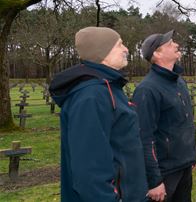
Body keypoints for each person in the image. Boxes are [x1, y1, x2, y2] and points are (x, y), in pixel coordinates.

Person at [49, 27, 148, 201]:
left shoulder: (110, 88)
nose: (126, 49)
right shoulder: (91, 96)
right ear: (102, 52)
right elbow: (89, 169)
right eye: (120, 44)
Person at [132, 30, 196, 202]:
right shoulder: (147, 90)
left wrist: (192, 155)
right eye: (170, 44)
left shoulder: (179, 81)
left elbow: (187, 121)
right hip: (164, 172)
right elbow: (144, 137)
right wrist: (154, 180)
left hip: (184, 165)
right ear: (157, 54)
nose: (176, 45)